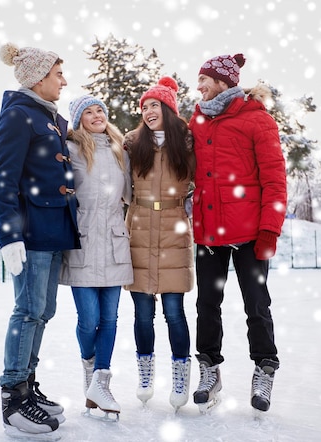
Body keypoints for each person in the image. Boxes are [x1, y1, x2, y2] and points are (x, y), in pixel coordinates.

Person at [188, 53, 287, 414]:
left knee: (256, 305)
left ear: (223, 82)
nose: (198, 86)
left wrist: (269, 230)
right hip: (209, 232)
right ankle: (209, 369)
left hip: (250, 234)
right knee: (206, 306)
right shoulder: (197, 121)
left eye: (203, 80)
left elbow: (275, 179)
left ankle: (264, 367)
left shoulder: (256, 120)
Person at [0, 42, 80, 435]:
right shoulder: (18, 116)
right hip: (29, 232)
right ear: (38, 78)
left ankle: (28, 387)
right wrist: (9, 236)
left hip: (54, 229)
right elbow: (4, 180)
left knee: (43, 312)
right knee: (27, 310)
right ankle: (13, 398)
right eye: (58, 74)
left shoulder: (52, 119)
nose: (64, 81)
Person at [123, 76, 196, 412]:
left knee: (174, 312)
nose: (149, 110)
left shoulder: (188, 142)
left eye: (155, 104)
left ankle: (181, 375)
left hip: (173, 229)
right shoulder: (132, 143)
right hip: (138, 228)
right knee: (141, 314)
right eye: (145, 106)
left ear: (168, 108)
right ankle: (145, 372)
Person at [58, 95, 133, 421]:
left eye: (99, 109)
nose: (96, 115)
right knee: (89, 320)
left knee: (112, 318)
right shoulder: (72, 150)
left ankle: (101, 380)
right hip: (84, 244)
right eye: (88, 112)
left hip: (116, 243)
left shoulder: (121, 151)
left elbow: (132, 193)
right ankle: (89, 367)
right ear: (79, 121)